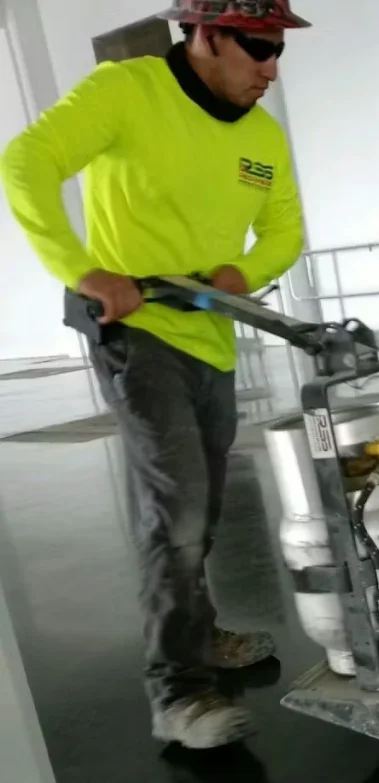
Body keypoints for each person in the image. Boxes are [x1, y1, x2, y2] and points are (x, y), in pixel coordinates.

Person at [0, 0, 310, 749]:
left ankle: (196, 634)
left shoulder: (262, 136)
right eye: (258, 48)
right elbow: (25, 163)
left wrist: (245, 269)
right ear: (205, 33)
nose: (270, 68)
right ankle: (178, 692)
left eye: (279, 51)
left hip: (211, 336)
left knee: (198, 507)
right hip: (137, 331)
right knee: (176, 506)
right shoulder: (126, 92)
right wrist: (83, 270)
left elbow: (285, 229)